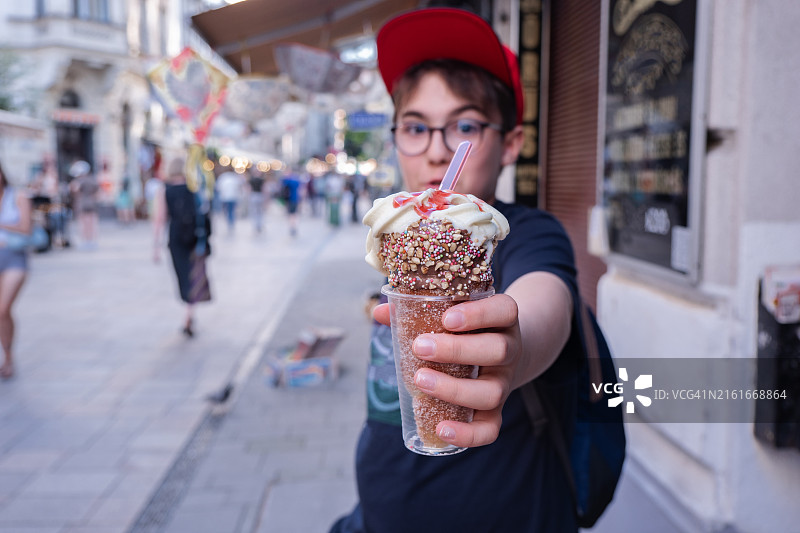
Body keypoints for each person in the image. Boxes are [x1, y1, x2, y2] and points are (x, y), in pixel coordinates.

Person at [331, 8, 585, 532]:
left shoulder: (524, 235)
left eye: (465, 125)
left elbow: (543, 303)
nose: (436, 151)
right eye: (416, 127)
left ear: (510, 144)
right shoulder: (405, 241)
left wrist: (512, 352)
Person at [153, 156, 212, 337]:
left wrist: (155, 246)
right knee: (194, 276)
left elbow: (159, 219)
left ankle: (187, 313)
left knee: (183, 276)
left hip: (176, 237)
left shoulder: (165, 190)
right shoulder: (194, 189)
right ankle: (189, 313)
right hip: (196, 238)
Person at [0, 161, 33, 379]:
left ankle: (9, 359)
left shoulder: (18, 196)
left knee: (2, 309)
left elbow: (26, 228)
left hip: (14, 258)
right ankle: (7, 358)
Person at [69, 160, 99, 249]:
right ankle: (92, 241)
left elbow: (75, 190)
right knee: (91, 223)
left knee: (83, 223)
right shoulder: (92, 179)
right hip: (91, 202)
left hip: (82, 203)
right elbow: (97, 191)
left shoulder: (79, 181)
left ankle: (86, 241)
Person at [216, 167, 243, 234]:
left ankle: (229, 221)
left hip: (224, 198)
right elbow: (239, 187)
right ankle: (231, 222)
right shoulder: (235, 177)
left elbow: (218, 187)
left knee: (226, 210)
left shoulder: (222, 177)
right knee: (231, 211)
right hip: (233, 197)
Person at [280, 168, 302, 237]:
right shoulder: (296, 180)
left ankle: (292, 226)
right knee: (293, 214)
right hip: (294, 199)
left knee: (291, 214)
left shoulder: (287, 180)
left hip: (290, 199)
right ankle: (293, 226)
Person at [247, 169, 267, 234]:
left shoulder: (251, 179)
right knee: (259, 211)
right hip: (259, 196)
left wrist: (249, 196)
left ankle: (256, 225)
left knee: (255, 211)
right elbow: (263, 189)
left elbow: (249, 189)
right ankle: (259, 224)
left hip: (254, 196)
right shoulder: (261, 180)